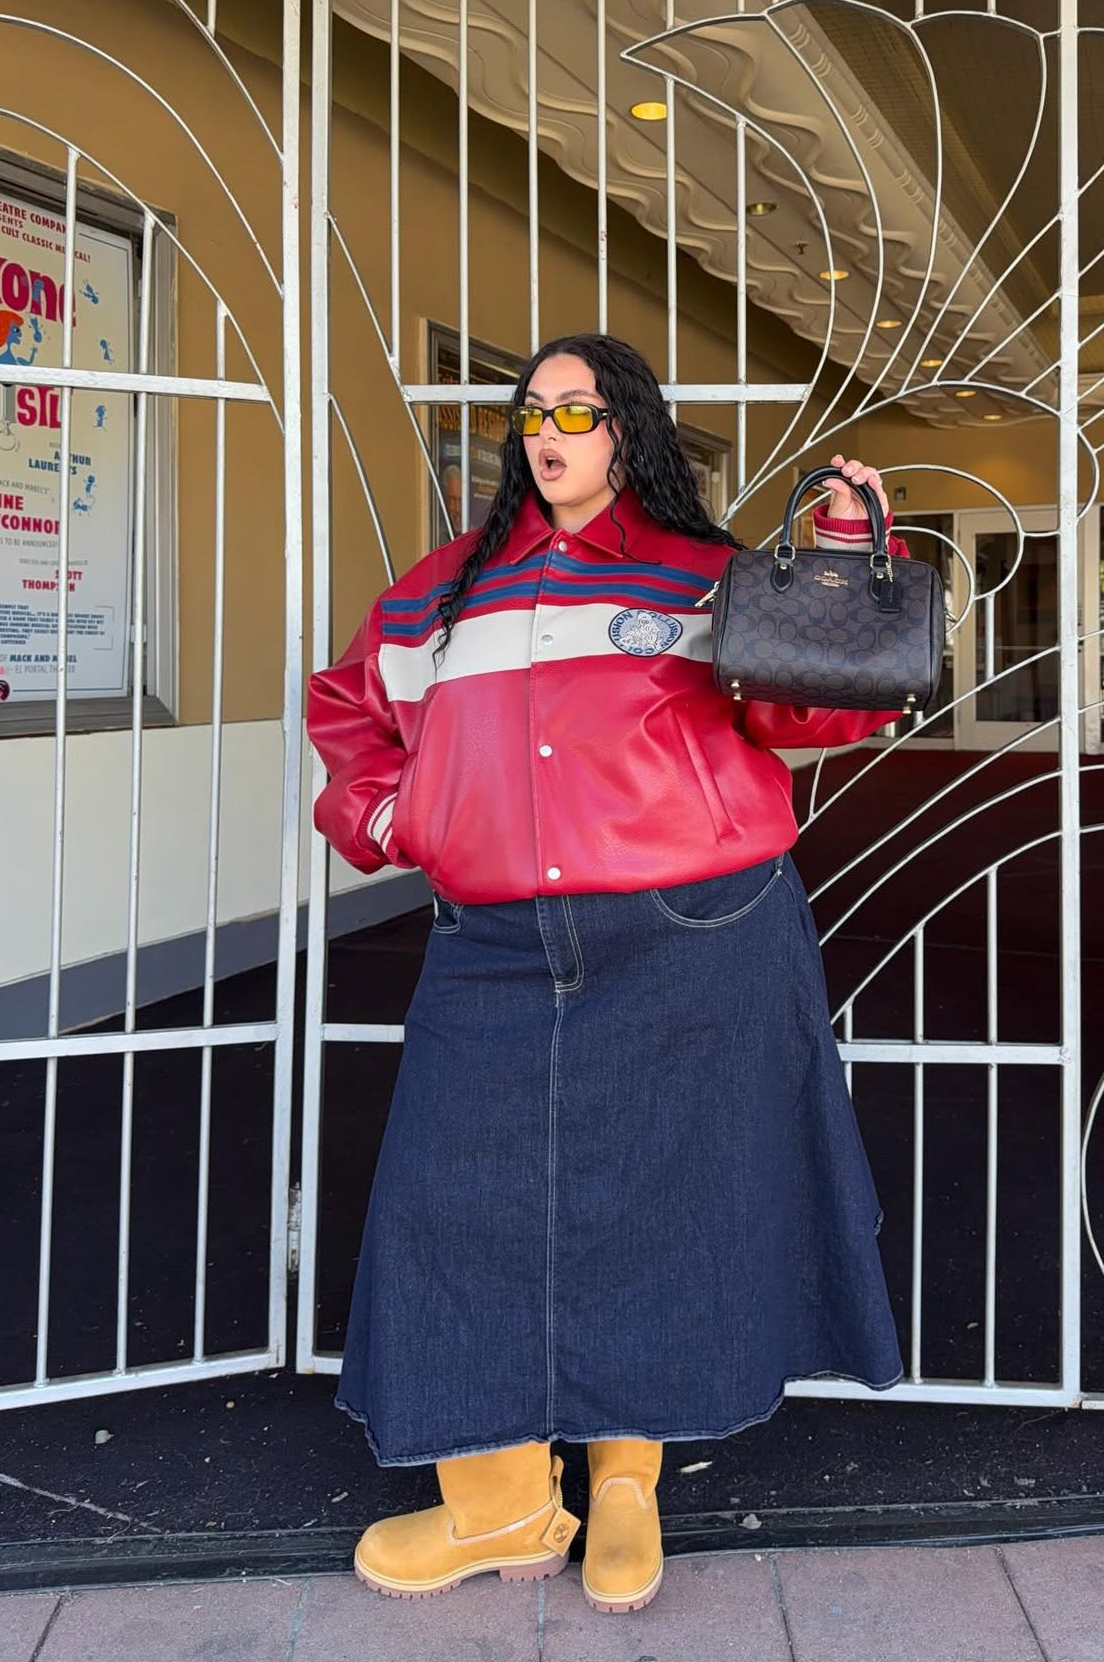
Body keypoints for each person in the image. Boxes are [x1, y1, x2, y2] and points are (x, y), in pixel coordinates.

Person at [307, 332, 907, 1615]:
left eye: (578, 408)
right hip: (495, 950)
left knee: (662, 1208)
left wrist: (842, 567)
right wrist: (394, 822)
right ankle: (503, 1504)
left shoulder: (706, 578)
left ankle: (625, 1486)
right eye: (532, 409)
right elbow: (353, 716)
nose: (550, 429)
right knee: (449, 1201)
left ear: (627, 428)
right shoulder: (432, 598)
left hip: (694, 933)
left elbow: (817, 713)